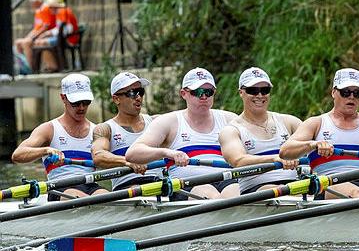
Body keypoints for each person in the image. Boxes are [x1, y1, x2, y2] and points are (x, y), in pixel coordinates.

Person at [126, 68, 239, 200]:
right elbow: (132, 153)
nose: (204, 97)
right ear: (183, 93)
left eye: (208, 92)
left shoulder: (229, 119)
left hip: (227, 179)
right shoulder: (169, 121)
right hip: (187, 185)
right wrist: (168, 153)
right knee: (211, 196)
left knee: (235, 194)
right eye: (197, 92)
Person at [279, 68, 359, 199]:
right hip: (329, 184)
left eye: (358, 93)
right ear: (333, 92)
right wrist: (313, 145)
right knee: (358, 194)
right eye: (345, 92)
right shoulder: (316, 123)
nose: (351, 97)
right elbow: (285, 151)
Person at [11, 74, 109, 201]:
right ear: (63, 98)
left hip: (91, 186)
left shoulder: (97, 131)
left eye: (86, 102)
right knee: (77, 195)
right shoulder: (49, 129)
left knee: (105, 195)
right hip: (59, 188)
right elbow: (17, 155)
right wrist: (46, 150)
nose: (81, 107)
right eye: (76, 103)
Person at [219, 67, 302, 194]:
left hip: (295, 186)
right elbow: (238, 160)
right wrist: (274, 159)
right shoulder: (231, 130)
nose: (259, 95)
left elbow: (312, 143)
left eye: (265, 90)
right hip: (257, 191)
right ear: (241, 93)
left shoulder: (289, 121)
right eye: (253, 90)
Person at [91, 72, 163, 190]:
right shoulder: (105, 129)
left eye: (140, 92)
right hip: (127, 188)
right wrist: (127, 161)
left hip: (159, 185)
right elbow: (98, 156)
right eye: (132, 93)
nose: (138, 97)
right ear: (116, 99)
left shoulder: (156, 122)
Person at [32, 0, 79, 72]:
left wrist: (49, 33)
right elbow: (58, 28)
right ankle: (50, 65)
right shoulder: (59, 12)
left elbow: (68, 29)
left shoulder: (63, 12)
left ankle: (53, 66)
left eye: (50, 7)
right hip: (61, 37)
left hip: (68, 38)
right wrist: (48, 33)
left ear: (54, 7)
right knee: (39, 42)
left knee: (41, 42)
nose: (49, 10)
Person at [14, 0, 55, 71]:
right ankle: (21, 66)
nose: (31, 3)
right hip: (38, 35)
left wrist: (32, 37)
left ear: (38, 1)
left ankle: (30, 68)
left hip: (45, 35)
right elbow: (36, 28)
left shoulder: (45, 9)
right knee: (18, 42)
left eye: (32, 1)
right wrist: (28, 36)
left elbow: (45, 27)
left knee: (26, 43)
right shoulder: (38, 11)